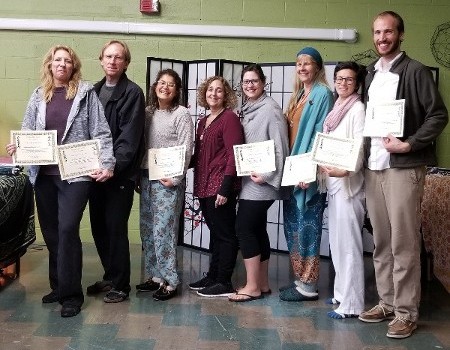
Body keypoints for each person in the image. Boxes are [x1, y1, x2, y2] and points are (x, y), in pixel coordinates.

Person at [5, 45, 115, 317]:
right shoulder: (37, 95)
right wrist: (17, 147)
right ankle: (58, 285)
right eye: (58, 60)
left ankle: (71, 296)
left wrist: (108, 164)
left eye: (67, 61)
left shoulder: (85, 94)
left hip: (75, 175)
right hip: (43, 175)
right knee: (52, 232)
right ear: (50, 64)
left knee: (67, 230)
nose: (62, 64)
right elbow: (29, 131)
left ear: (73, 66)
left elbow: (101, 132)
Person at [358, 11, 448, 338]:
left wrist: (409, 144)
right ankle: (387, 301)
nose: (382, 38)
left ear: (401, 35)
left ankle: (407, 312)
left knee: (404, 242)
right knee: (381, 240)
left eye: (388, 32)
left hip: (404, 168)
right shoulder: (369, 73)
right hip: (374, 168)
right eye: (377, 32)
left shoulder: (416, 70)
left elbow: (438, 115)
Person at [87, 40, 145, 303]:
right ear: (101, 60)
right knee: (98, 226)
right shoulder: (92, 91)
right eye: (108, 56)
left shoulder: (132, 92)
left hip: (118, 174)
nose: (112, 61)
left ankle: (122, 284)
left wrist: (112, 166)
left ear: (126, 63)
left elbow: (128, 138)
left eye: (118, 57)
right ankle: (110, 275)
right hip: (94, 172)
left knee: (115, 227)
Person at [228, 64, 289, 302]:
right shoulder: (246, 108)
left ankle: (251, 286)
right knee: (257, 229)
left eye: (254, 81)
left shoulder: (271, 109)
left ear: (264, 82)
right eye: (246, 82)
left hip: (261, 181)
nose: (249, 85)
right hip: (249, 178)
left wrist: (266, 174)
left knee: (243, 228)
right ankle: (262, 283)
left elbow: (281, 145)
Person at [280, 47, 333, 302]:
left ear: (318, 67)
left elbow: (319, 135)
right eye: (298, 63)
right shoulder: (299, 94)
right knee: (294, 225)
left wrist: (309, 170)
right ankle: (299, 279)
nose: (302, 67)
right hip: (292, 170)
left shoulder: (323, 93)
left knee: (308, 227)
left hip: (306, 171)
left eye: (308, 63)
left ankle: (309, 286)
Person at [136, 68, 194, 301]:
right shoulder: (148, 112)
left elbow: (186, 148)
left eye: (171, 84)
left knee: (164, 232)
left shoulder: (181, 114)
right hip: (147, 177)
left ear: (177, 90)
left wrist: (177, 178)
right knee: (148, 230)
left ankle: (171, 281)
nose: (165, 87)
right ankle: (156, 276)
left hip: (168, 181)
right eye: (161, 83)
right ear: (155, 87)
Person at [188, 76, 244, 297]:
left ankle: (224, 281)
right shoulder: (202, 121)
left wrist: (225, 188)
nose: (214, 93)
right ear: (204, 93)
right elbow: (199, 155)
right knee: (215, 234)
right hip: (203, 185)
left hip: (220, 186)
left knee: (226, 235)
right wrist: (177, 165)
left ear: (226, 95)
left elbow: (234, 154)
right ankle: (213, 275)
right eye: (210, 89)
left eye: (219, 90)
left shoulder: (229, 118)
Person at [319, 62, 366, 319]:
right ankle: (340, 294)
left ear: (356, 83)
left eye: (349, 79)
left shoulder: (357, 109)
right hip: (334, 183)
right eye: (339, 79)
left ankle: (352, 304)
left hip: (348, 185)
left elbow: (359, 146)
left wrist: (347, 170)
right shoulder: (338, 106)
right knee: (337, 243)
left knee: (349, 245)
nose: (343, 83)